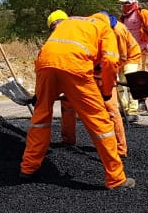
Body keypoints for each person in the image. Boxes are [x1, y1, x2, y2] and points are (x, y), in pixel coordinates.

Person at [22, 10, 134, 189]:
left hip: (45, 65)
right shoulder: (104, 28)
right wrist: (105, 91)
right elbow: (111, 62)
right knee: (100, 122)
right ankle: (116, 178)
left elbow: (50, 52)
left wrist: (40, 92)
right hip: (75, 67)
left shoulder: (69, 22)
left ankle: (28, 168)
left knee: (40, 118)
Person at [60, 11, 131, 156]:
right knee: (67, 103)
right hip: (88, 73)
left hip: (104, 73)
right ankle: (68, 140)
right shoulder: (87, 29)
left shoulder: (115, 31)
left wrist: (107, 84)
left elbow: (115, 60)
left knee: (110, 109)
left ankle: (120, 149)